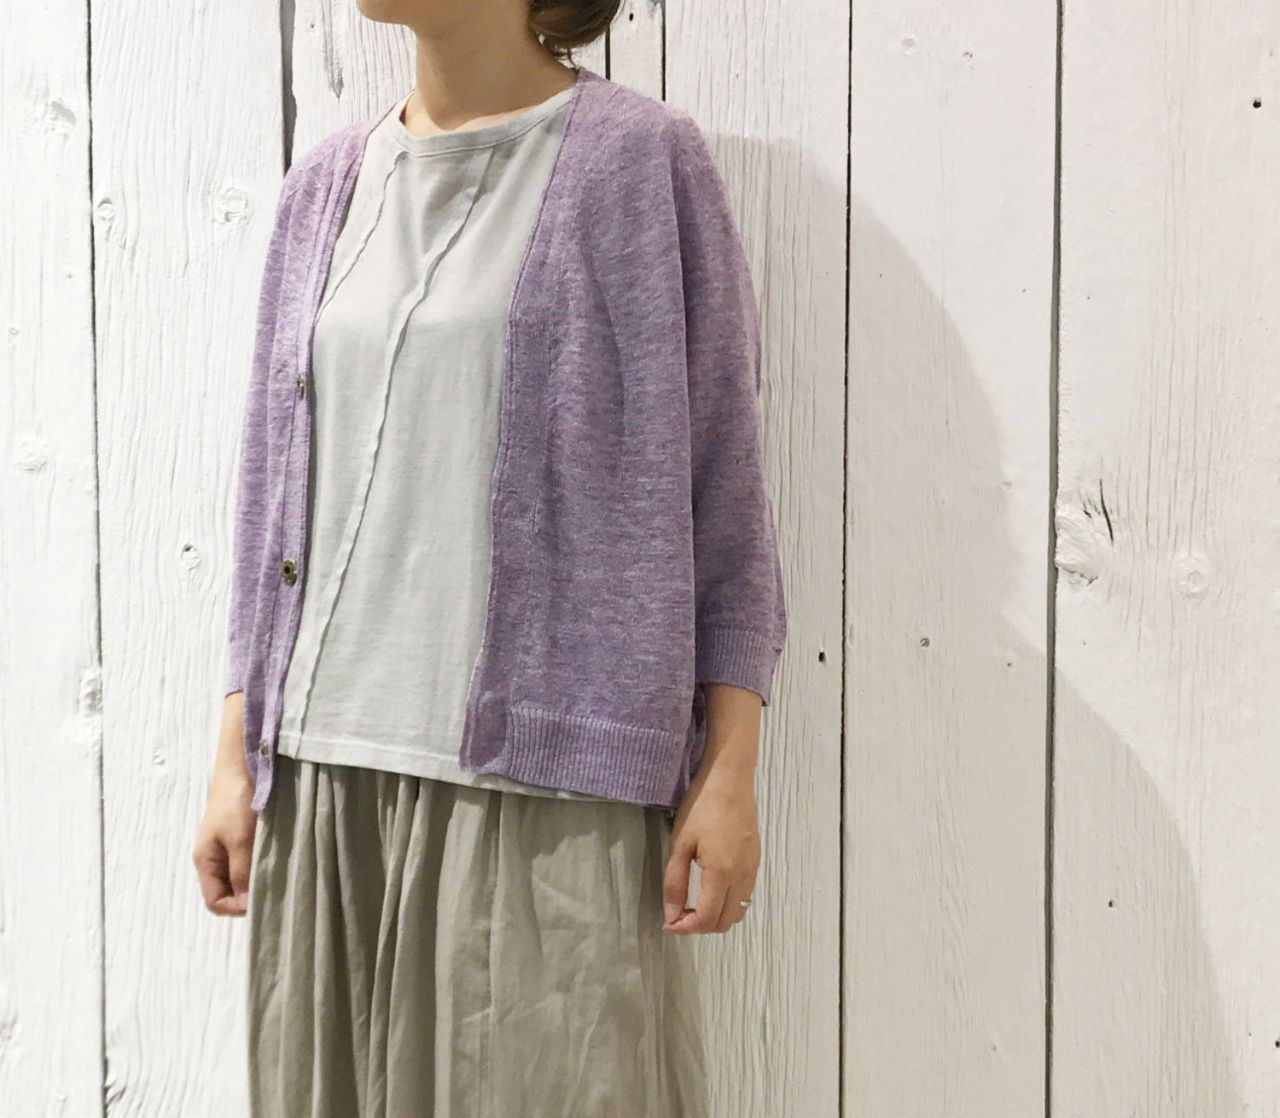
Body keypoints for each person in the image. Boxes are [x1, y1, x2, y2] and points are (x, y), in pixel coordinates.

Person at [191, 0, 787, 1114]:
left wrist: (729, 769)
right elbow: (271, 491)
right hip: (322, 775)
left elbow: (721, 491)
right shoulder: (324, 187)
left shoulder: (635, 162)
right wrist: (237, 752)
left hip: (544, 782)